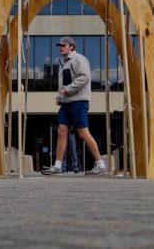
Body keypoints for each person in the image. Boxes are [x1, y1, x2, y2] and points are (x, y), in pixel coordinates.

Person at [42, 36, 107, 175]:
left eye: (63, 45)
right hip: (66, 104)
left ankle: (101, 165)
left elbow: (84, 77)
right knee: (61, 131)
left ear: (71, 46)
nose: (60, 47)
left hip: (78, 102)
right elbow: (63, 85)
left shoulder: (79, 59)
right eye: (59, 45)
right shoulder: (63, 63)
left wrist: (67, 90)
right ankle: (58, 166)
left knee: (83, 133)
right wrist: (60, 96)